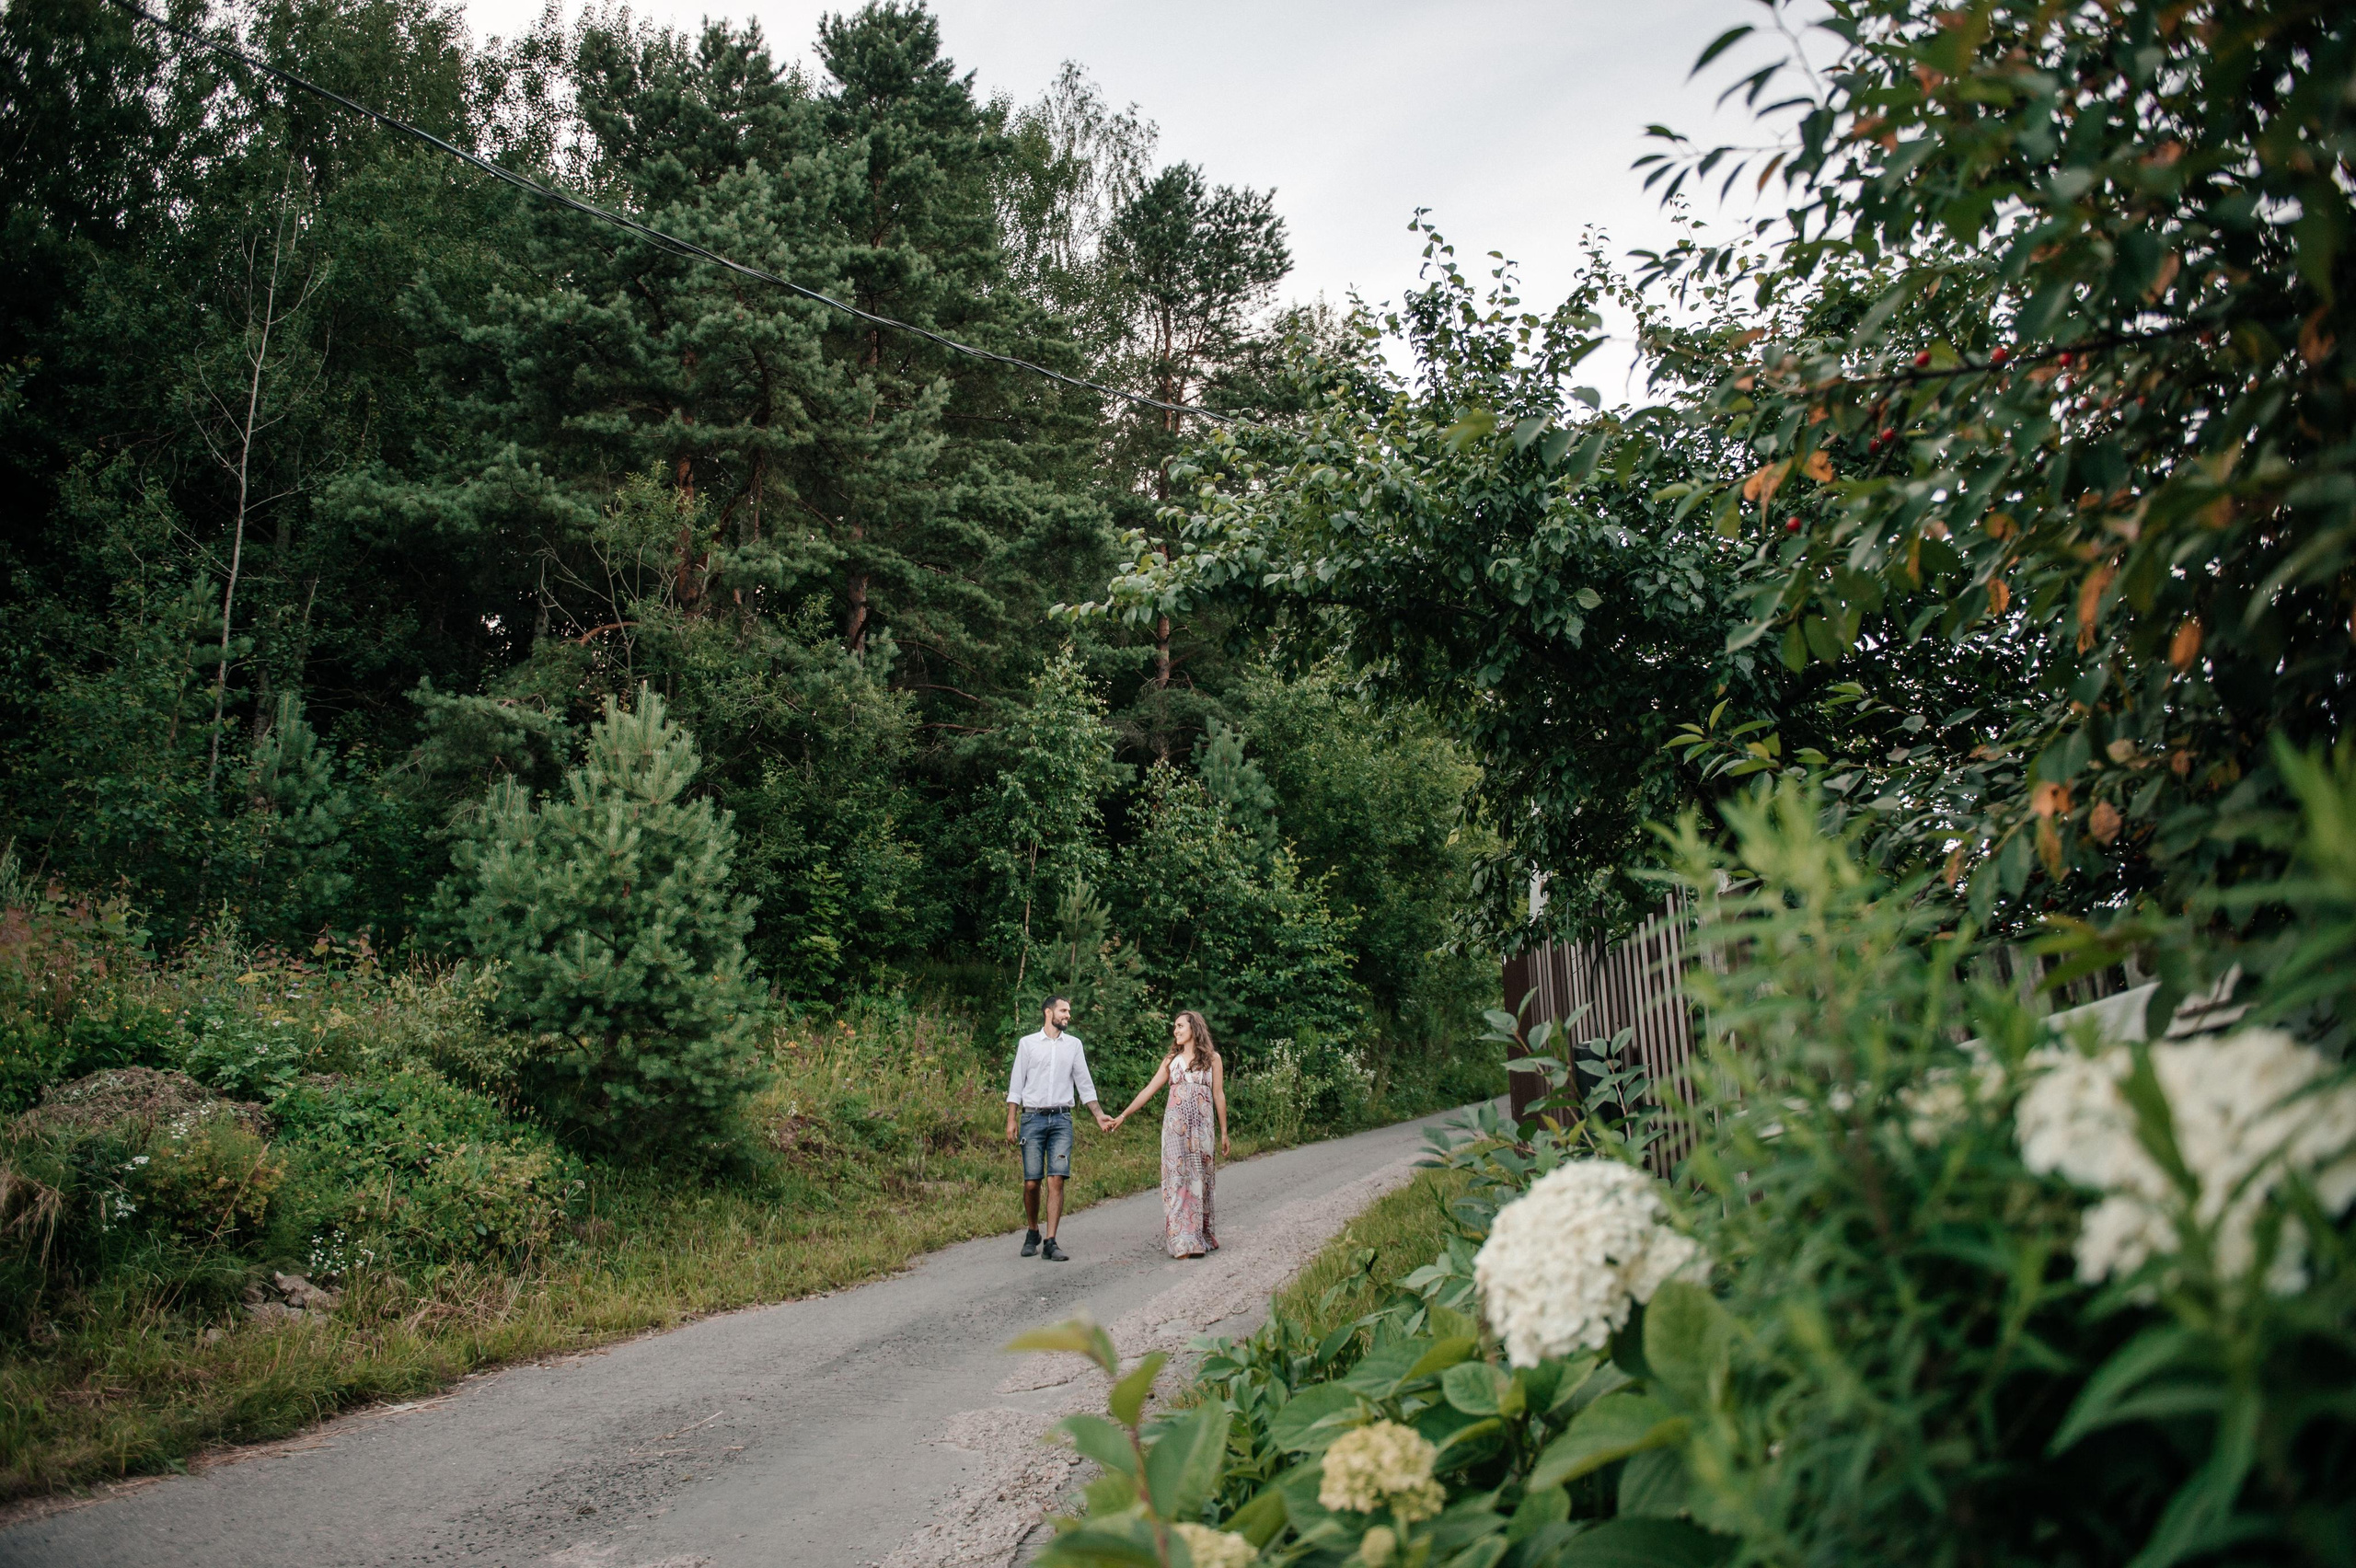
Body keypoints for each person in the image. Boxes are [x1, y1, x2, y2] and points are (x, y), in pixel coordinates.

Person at [1110, 1010, 1229, 1259]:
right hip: (1175, 1132)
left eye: (1180, 1026)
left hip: (1202, 1131)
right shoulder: (1171, 1061)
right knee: (1176, 1180)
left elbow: (1218, 1095)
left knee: (1199, 1180)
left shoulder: (1212, 1059)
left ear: (1194, 1028)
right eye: (1174, 1027)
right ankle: (1180, 1240)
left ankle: (1198, 1237)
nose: (1176, 1031)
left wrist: (1225, 1132)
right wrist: (1123, 1115)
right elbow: (1149, 1090)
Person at [1006, 995, 1113, 1262]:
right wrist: (1011, 1118)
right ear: (1048, 1012)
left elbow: (1084, 1083)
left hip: (1062, 1121)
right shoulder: (1028, 1044)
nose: (1068, 1015)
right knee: (1032, 1183)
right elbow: (1016, 1083)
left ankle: (1051, 1241)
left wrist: (1098, 1115)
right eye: (1063, 1010)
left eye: (1069, 1011)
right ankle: (1032, 1231)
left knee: (1056, 1179)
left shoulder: (1073, 1045)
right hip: (1032, 1120)